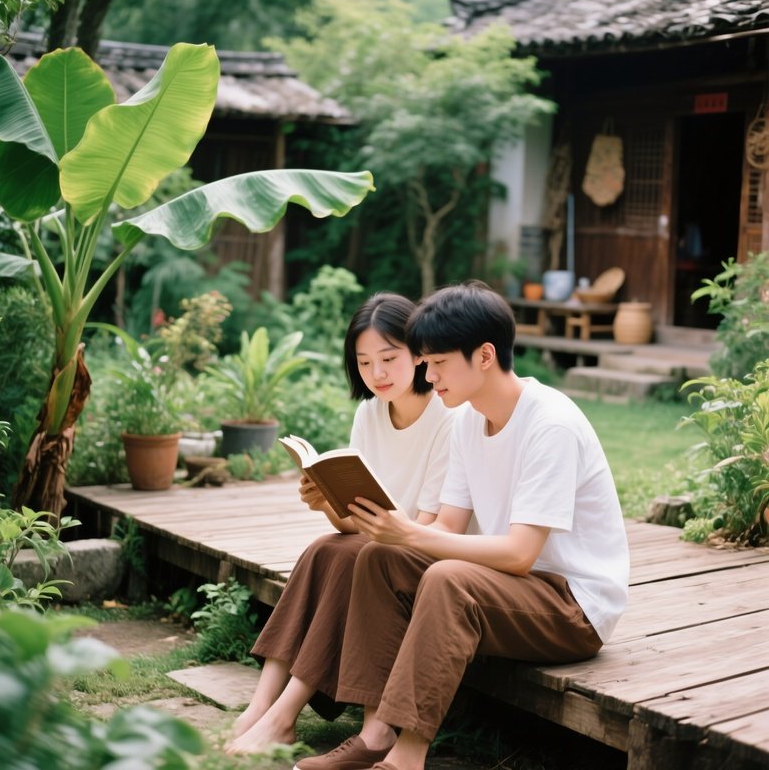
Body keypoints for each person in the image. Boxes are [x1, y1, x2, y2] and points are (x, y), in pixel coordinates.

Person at [295, 281, 629, 770]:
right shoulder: (470, 420)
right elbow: (449, 525)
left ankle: (405, 759)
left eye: (438, 362)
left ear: (485, 355)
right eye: (425, 362)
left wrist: (410, 533)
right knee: (383, 556)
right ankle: (374, 734)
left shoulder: (550, 424)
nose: (427, 375)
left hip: (572, 606)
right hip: (515, 589)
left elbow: (520, 554)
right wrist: (392, 534)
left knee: (447, 578)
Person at [224, 292, 456, 755]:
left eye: (389, 358)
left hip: (421, 549)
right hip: (379, 541)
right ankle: (262, 706)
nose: (378, 374)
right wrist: (324, 501)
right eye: (365, 362)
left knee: (357, 557)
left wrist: (373, 527)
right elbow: (353, 521)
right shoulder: (370, 412)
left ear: (418, 353)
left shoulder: (446, 417)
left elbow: (426, 529)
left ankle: (282, 716)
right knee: (322, 549)